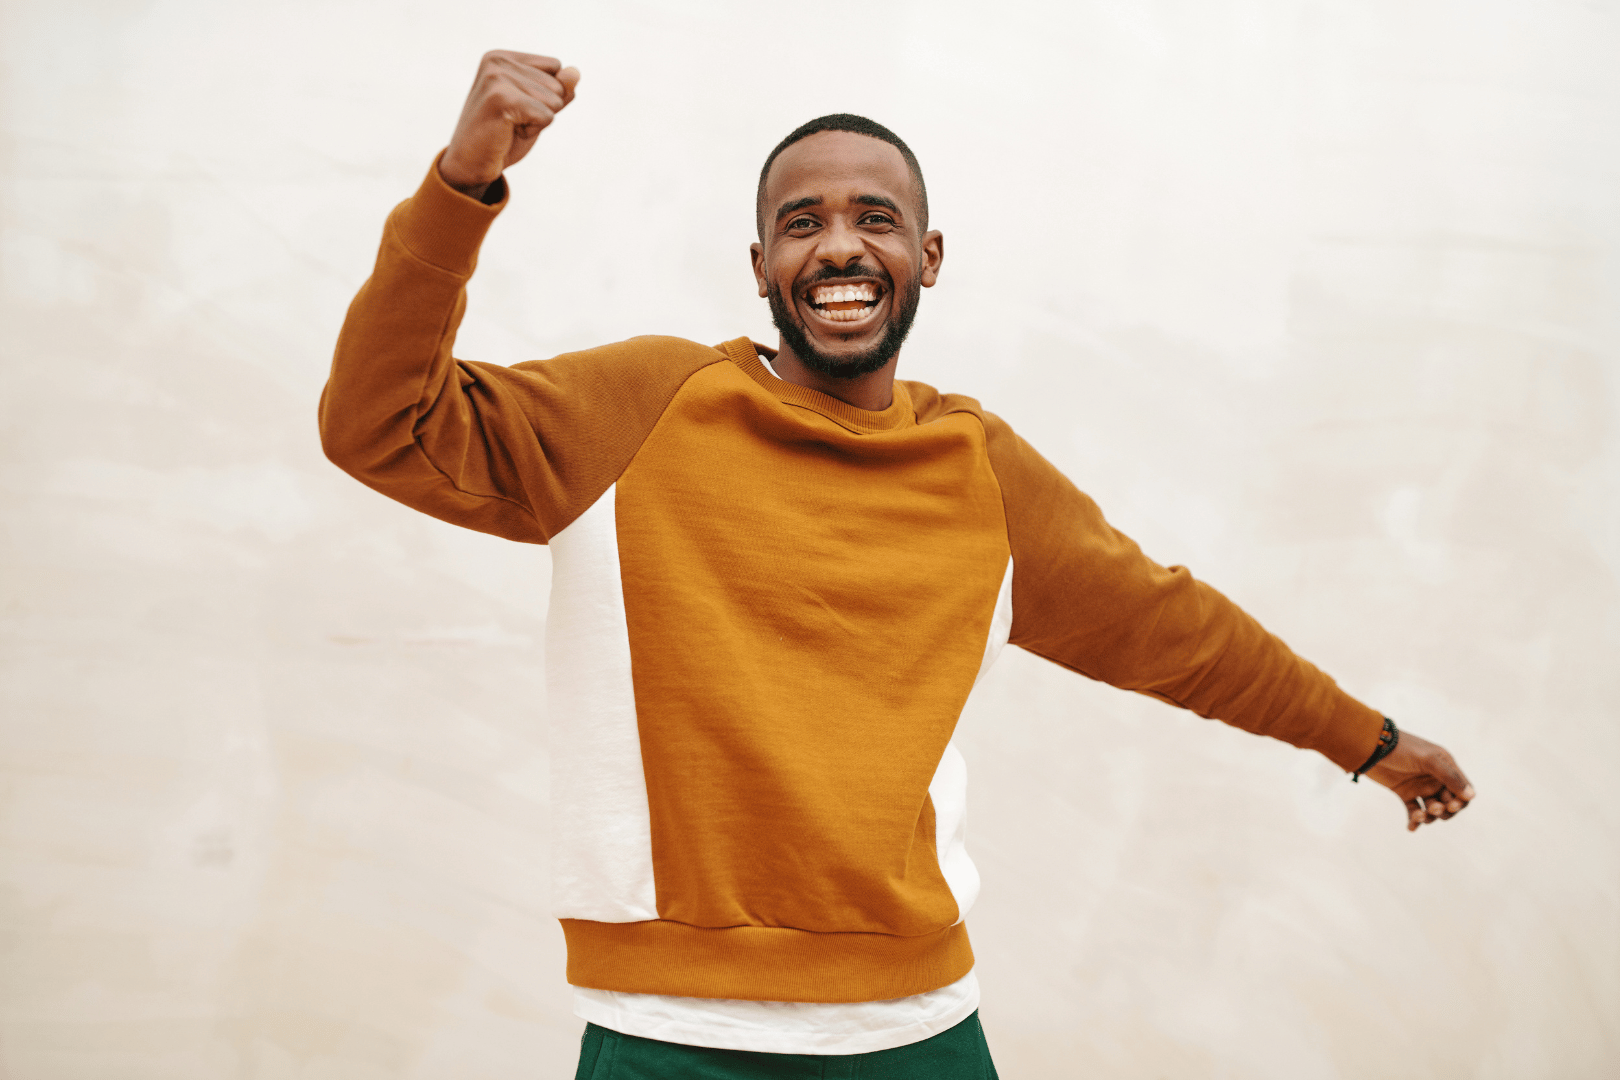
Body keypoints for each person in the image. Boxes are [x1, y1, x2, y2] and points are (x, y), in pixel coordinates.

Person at [319, 50, 1475, 1080]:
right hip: (666, 1033)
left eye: (874, 218)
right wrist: (462, 186)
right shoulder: (639, 407)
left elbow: (1179, 635)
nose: (838, 244)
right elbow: (377, 423)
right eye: (800, 221)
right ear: (761, 262)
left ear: (925, 257)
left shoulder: (976, 467)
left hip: (918, 1031)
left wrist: (1367, 741)